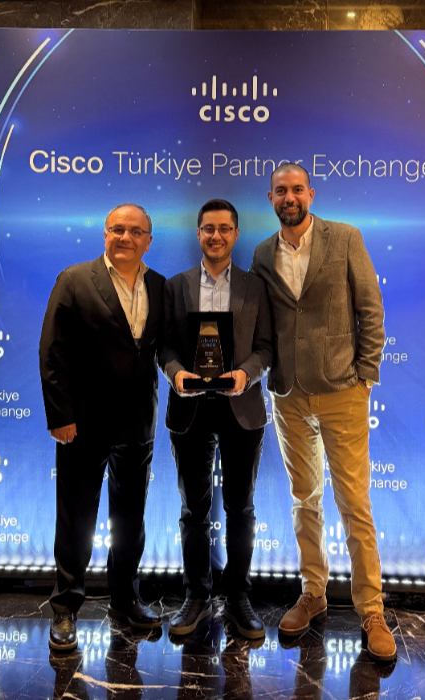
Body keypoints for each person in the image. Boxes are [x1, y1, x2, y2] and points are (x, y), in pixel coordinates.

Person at [250, 164, 395, 661]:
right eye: (281, 191)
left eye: (297, 189)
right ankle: (313, 592)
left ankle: (371, 609)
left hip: (342, 390)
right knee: (303, 498)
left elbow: (370, 309)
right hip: (287, 393)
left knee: (354, 502)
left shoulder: (345, 238)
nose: (289, 197)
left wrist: (366, 375)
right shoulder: (262, 254)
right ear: (271, 198)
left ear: (310, 193)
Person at [39, 203, 165, 652]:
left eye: (134, 231)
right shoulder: (74, 280)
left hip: (138, 423)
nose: (125, 237)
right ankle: (65, 608)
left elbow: (163, 350)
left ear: (148, 240)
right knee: (77, 518)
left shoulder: (159, 286)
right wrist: (61, 415)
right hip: (83, 424)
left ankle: (125, 601)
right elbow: (52, 350)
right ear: (105, 235)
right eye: (117, 229)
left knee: (130, 520)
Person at [160, 199, 272, 639]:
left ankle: (239, 597)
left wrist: (246, 374)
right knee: (193, 510)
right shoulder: (176, 286)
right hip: (190, 406)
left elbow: (266, 347)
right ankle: (197, 596)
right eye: (208, 228)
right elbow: (165, 347)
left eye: (225, 228)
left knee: (240, 508)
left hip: (241, 407)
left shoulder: (255, 287)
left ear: (236, 234)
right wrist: (176, 374)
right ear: (198, 233)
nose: (216, 236)